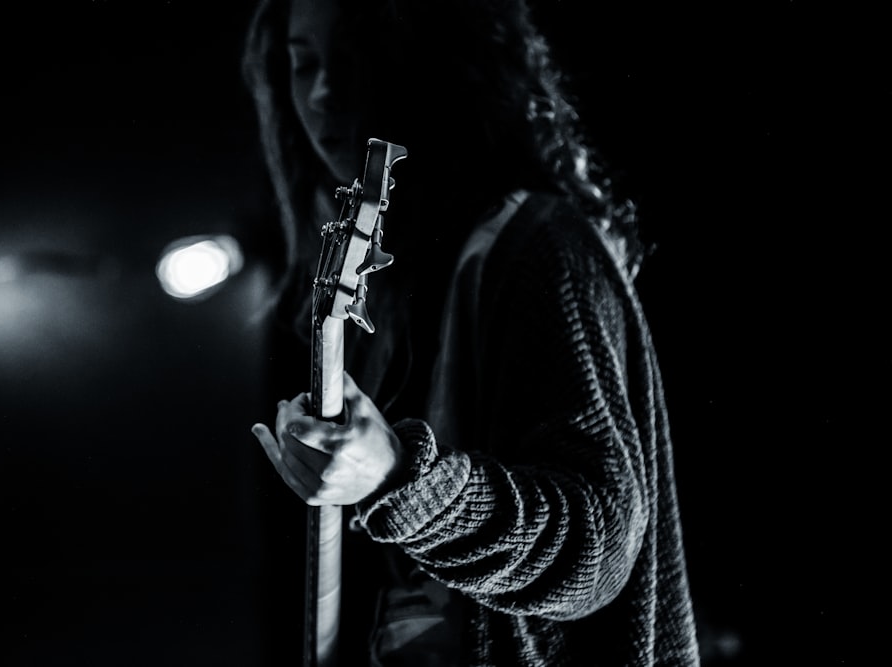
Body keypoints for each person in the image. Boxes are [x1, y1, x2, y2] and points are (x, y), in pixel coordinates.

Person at [244, 0, 700, 664]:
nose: (323, 93)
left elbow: (597, 545)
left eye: (353, 59)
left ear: (432, 61)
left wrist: (396, 476)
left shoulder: (540, 247)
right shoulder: (389, 280)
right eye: (303, 64)